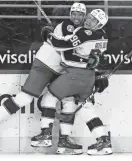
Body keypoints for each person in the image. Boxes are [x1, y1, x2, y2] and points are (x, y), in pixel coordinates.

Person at [0, 2, 87, 143]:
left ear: (84, 16)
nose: (77, 17)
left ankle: (61, 138)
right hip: (45, 64)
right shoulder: (66, 26)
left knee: (68, 100)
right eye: (74, 13)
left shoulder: (79, 30)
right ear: (70, 14)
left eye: (80, 14)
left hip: (60, 70)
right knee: (26, 97)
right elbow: (68, 48)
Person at [31, 9, 113, 155]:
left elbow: (61, 45)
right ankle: (103, 140)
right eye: (89, 17)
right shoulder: (103, 36)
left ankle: (46, 134)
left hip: (75, 75)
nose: (88, 20)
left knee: (49, 98)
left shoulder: (84, 33)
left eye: (94, 20)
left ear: (99, 24)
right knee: (86, 109)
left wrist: (50, 35)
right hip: (89, 78)